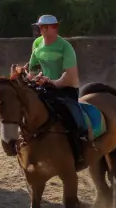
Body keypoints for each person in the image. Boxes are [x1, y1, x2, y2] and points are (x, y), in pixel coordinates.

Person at [25, 15, 89, 156]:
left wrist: (52, 82)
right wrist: (33, 77)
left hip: (66, 87)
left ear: (54, 28)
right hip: (44, 86)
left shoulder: (65, 47)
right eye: (40, 27)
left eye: (44, 27)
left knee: (69, 111)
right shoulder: (37, 43)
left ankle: (82, 138)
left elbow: (70, 76)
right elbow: (33, 68)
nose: (41, 30)